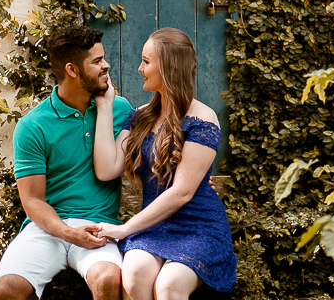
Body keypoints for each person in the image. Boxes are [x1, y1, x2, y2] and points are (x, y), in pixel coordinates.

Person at [93, 28, 236, 300]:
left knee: (169, 286)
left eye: (146, 61)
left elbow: (182, 192)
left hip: (198, 227)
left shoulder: (202, 119)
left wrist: (125, 229)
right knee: (134, 274)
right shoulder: (140, 116)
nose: (140, 68)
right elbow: (107, 169)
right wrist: (104, 106)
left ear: (169, 68)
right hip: (153, 226)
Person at [0, 24, 133, 300]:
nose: (106, 65)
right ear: (72, 70)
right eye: (97, 61)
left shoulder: (120, 109)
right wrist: (68, 233)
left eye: (103, 58)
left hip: (100, 225)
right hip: (48, 229)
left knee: (107, 279)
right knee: (6, 288)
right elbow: (32, 200)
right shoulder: (33, 126)